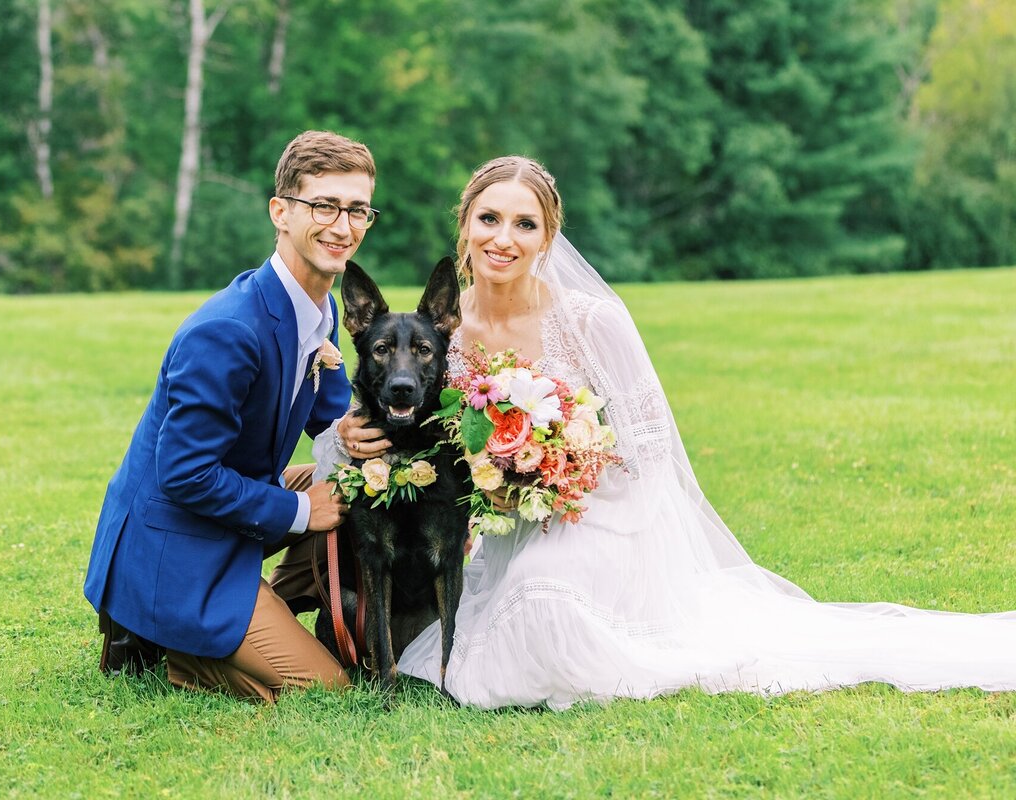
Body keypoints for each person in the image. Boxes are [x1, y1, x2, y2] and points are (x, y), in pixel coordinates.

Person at [317, 155, 1016, 710]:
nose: (504, 238)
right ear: (464, 224)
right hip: (507, 528)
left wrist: (558, 477)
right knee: (477, 633)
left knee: (545, 608)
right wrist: (352, 439)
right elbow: (416, 430)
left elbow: (649, 451)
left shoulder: (592, 320)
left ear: (548, 237)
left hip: (605, 517)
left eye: (524, 224)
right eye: (489, 219)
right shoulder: (443, 330)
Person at [84, 130, 383, 703]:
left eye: (357, 210)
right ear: (281, 211)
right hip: (173, 546)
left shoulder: (317, 306)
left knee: (349, 486)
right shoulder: (231, 330)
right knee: (332, 692)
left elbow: (335, 421)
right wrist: (300, 509)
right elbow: (184, 474)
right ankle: (173, 644)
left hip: (222, 520)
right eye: (323, 206)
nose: (342, 227)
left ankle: (267, 602)